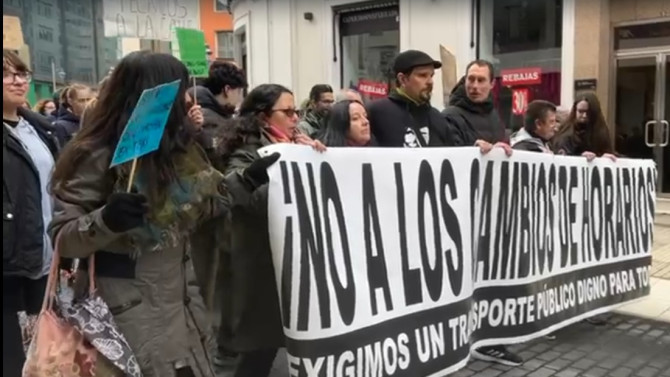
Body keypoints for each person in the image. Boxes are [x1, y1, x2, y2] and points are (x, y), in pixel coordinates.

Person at [48, 51, 231, 377]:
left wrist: (243, 180)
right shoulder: (94, 154)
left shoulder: (180, 149)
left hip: (186, 313)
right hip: (127, 324)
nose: (189, 100)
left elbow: (207, 207)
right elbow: (64, 240)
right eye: (180, 92)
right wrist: (107, 220)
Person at [217, 84, 324, 377]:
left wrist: (311, 159)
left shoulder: (295, 144)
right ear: (264, 117)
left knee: (264, 348)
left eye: (296, 112)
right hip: (252, 263)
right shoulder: (246, 149)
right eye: (287, 112)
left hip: (278, 259)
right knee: (251, 352)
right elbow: (242, 196)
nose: (295, 118)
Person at [3, 49, 59, 377]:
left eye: (22, 73)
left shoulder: (39, 129)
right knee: (11, 360)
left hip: (43, 259)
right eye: (7, 74)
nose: (18, 80)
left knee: (40, 358)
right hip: (9, 264)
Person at [367, 49, 460, 148]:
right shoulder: (378, 112)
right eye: (422, 75)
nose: (430, 82)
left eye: (431, 76)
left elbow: (452, 155)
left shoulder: (436, 117)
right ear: (403, 79)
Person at [442, 59, 511, 154]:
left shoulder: (495, 116)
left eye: (481, 80)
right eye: (471, 79)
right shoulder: (449, 116)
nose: (475, 86)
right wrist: (473, 150)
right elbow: (450, 156)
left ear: (492, 84)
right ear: (465, 80)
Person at [552, 92, 617, 160]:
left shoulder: (601, 132)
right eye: (581, 111)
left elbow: (606, 150)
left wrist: (604, 158)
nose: (584, 116)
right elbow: (562, 157)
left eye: (588, 112)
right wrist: (580, 158)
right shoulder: (566, 133)